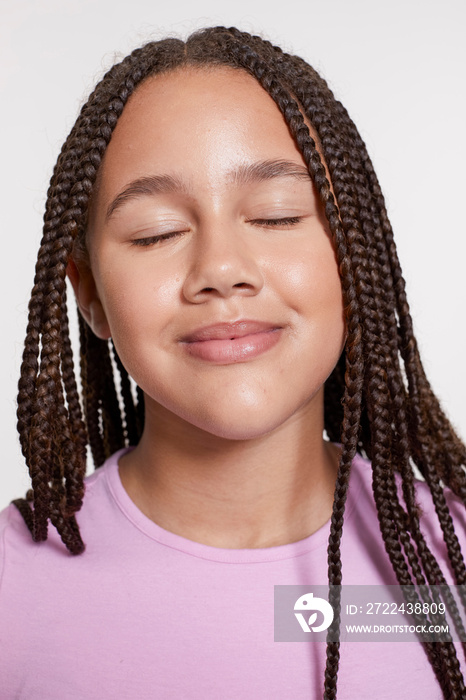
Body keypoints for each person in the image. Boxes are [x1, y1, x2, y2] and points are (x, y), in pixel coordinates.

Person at [0, 25, 465, 700]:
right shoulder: (12, 588)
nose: (220, 270)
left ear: (355, 255)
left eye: (276, 216)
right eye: (156, 232)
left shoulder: (446, 570)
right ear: (89, 293)